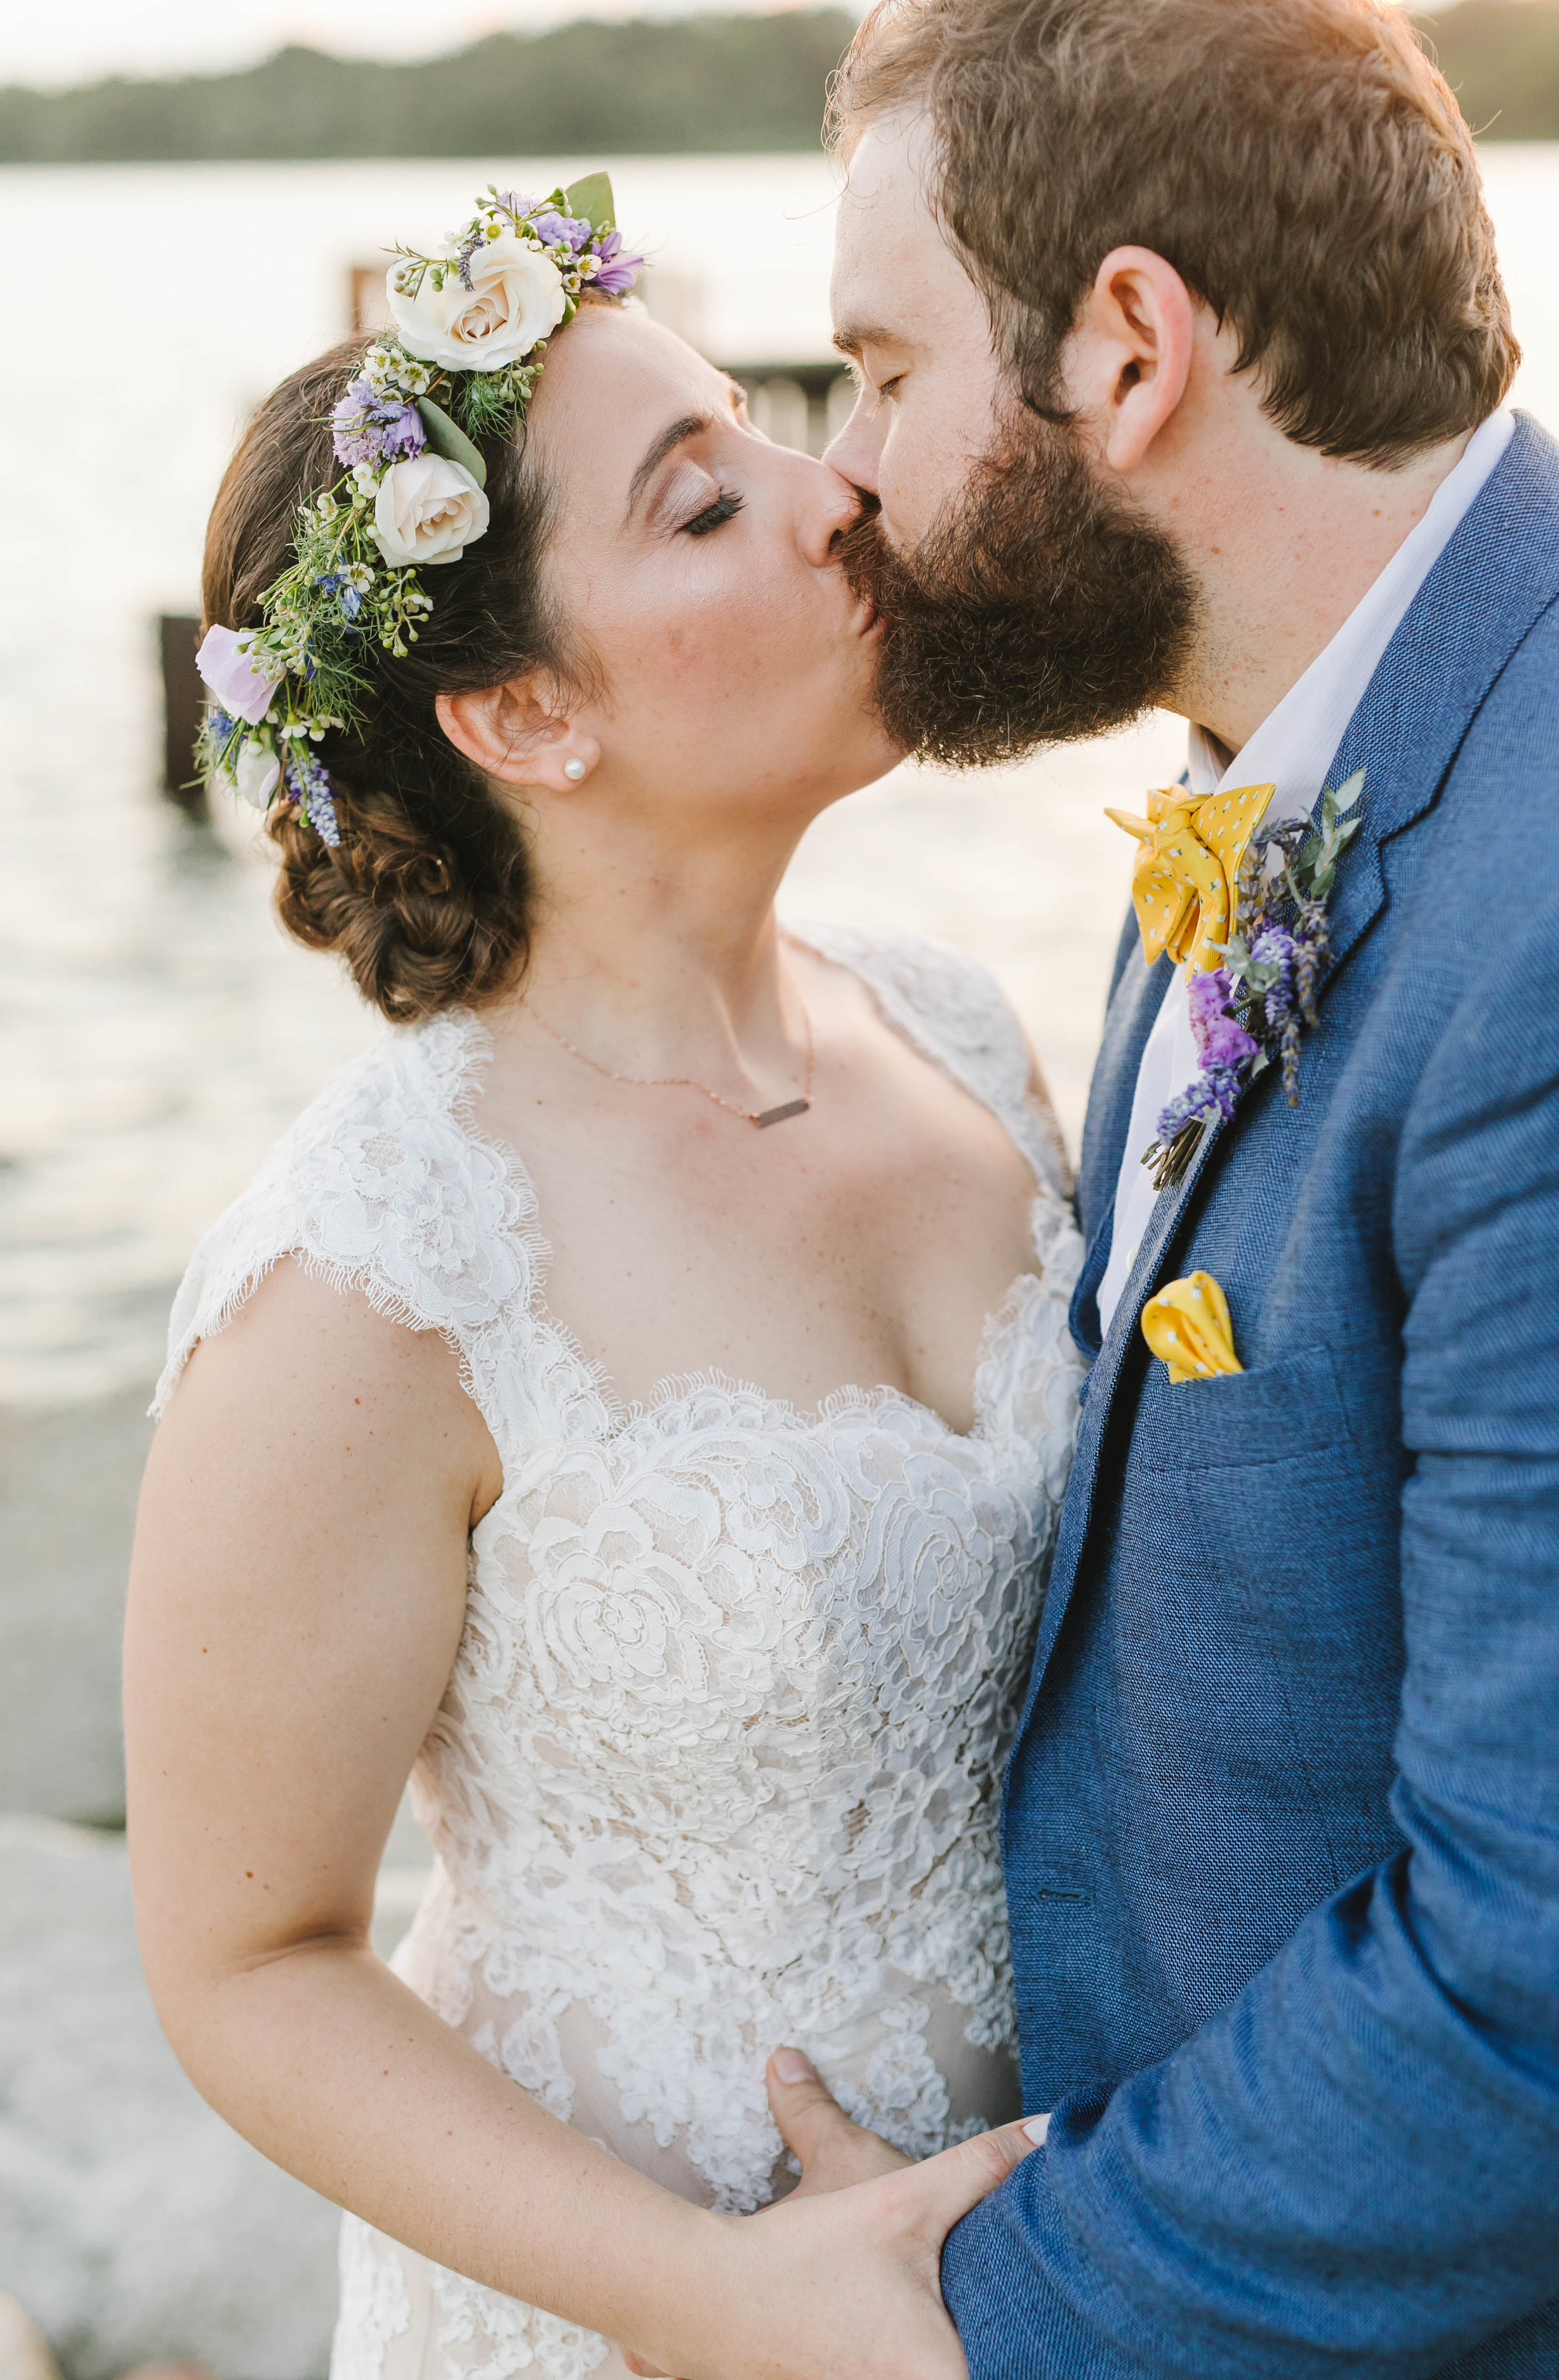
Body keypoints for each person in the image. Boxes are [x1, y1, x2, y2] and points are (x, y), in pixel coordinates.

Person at [122, 179, 1071, 2380]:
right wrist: (722, 2301)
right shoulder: (375, 1273)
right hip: (632, 2322)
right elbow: (248, 1957)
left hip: (1057, 2256)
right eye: (699, 503)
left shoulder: (956, 1034)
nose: (834, 489)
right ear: (525, 717)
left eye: (758, 428)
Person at [746, 0, 1559, 2372]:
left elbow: (1529, 1970)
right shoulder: (1266, 772)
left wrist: (962, 2312)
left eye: (881, 373)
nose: (847, 480)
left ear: (1126, 348)